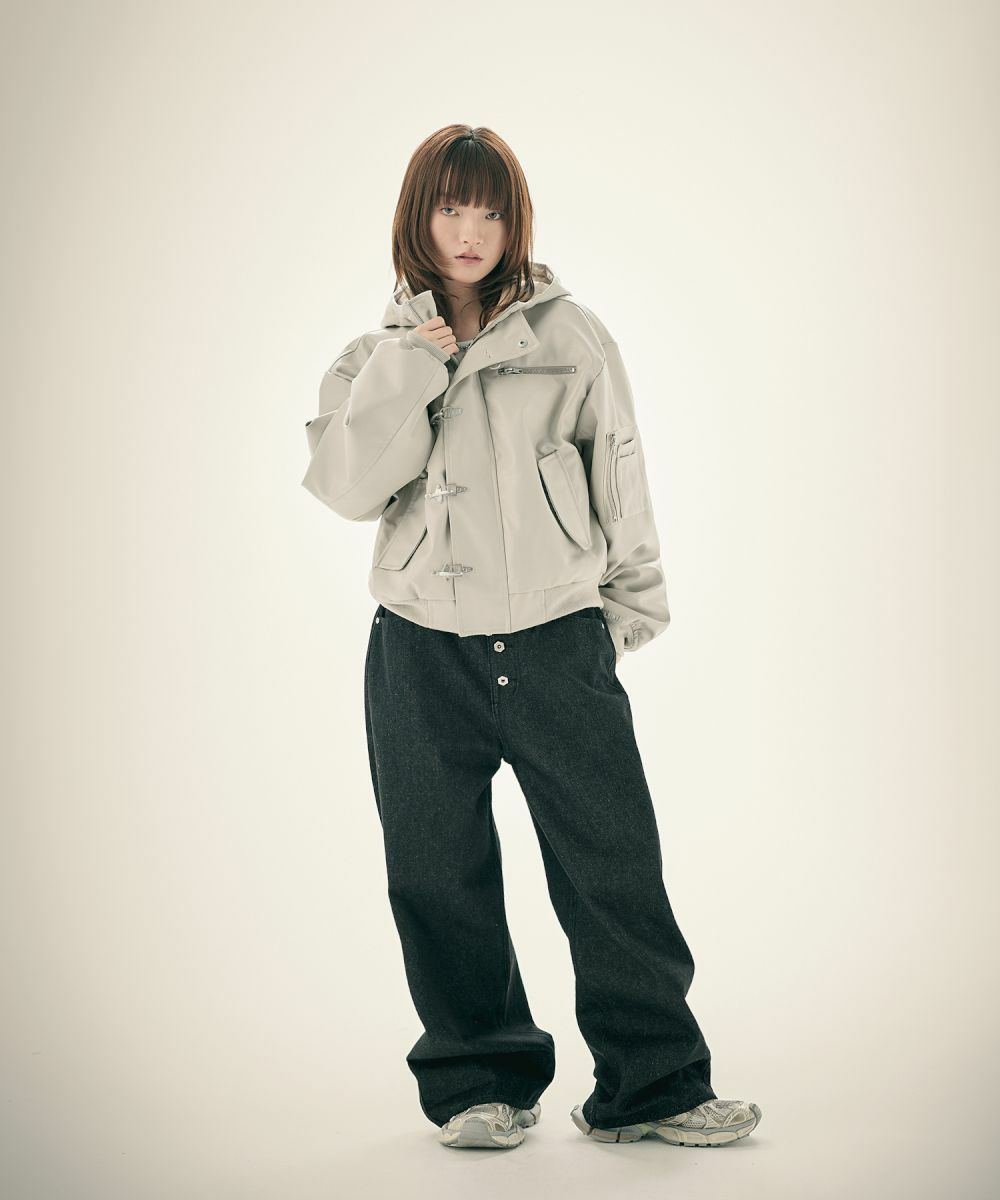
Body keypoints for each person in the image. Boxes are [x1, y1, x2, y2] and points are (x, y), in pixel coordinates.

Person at [301, 124, 761, 1151]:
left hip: (556, 639)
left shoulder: (572, 337)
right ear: (417, 218)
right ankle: (481, 1084)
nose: (469, 231)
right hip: (421, 650)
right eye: (449, 208)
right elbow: (344, 489)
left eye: (490, 211)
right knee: (437, 874)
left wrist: (625, 610)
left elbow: (620, 470)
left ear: (516, 223)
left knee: (612, 865)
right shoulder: (371, 359)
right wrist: (410, 368)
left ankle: (652, 1085)